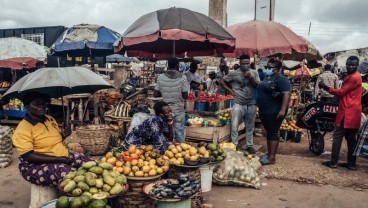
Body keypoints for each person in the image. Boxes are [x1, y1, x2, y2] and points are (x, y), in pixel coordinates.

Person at [12, 91, 91, 186]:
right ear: (27, 106)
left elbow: (53, 141)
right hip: (34, 165)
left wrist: (64, 135)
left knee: (90, 164)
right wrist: (59, 159)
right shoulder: (23, 129)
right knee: (73, 176)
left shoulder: (49, 119)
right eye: (36, 104)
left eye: (43, 103)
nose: (41, 106)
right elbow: (28, 156)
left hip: (62, 156)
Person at [319, 56, 362, 170]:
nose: (350, 66)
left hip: (347, 111)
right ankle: (351, 164)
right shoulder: (355, 76)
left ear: (357, 65)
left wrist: (325, 87)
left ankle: (333, 162)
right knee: (352, 139)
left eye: (353, 65)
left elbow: (341, 92)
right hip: (354, 111)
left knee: (337, 136)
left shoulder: (353, 77)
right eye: (349, 64)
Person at [219, 54, 260, 153]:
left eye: (247, 63)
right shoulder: (234, 73)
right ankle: (234, 144)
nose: (245, 65)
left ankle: (249, 145)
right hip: (238, 103)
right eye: (243, 64)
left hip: (251, 104)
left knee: (250, 127)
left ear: (249, 63)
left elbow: (257, 85)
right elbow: (222, 81)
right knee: (234, 126)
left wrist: (250, 77)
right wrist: (230, 91)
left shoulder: (254, 72)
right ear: (240, 63)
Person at [257, 58, 291, 164]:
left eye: (269, 67)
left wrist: (282, 110)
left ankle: (272, 158)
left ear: (276, 69)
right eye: (266, 67)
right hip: (265, 110)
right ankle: (269, 153)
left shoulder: (282, 79)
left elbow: (287, 94)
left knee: (273, 132)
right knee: (269, 132)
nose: (266, 69)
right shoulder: (268, 77)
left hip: (275, 110)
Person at [154, 57, 189, 143]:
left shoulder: (161, 77)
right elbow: (185, 96)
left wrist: (166, 91)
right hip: (178, 110)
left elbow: (155, 94)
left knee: (166, 134)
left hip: (165, 111)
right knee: (179, 133)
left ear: (168, 65)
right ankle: (180, 151)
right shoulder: (183, 77)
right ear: (177, 65)